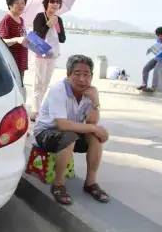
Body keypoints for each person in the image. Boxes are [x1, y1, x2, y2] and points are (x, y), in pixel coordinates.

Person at [33, 55, 110, 205]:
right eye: (77, 74)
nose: (82, 79)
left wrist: (95, 102)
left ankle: (90, 183)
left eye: (86, 74)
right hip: (46, 132)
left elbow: (92, 121)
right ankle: (58, 184)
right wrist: (94, 127)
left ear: (92, 76)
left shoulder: (90, 92)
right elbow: (62, 125)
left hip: (71, 131)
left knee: (95, 137)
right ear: (68, 75)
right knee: (69, 137)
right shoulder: (58, 90)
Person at [30, 0, 66, 121]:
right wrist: (48, 24)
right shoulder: (40, 17)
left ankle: (39, 108)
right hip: (41, 53)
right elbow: (38, 35)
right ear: (46, 3)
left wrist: (58, 27)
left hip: (53, 55)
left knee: (45, 83)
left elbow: (62, 39)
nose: (55, 4)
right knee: (38, 82)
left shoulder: (59, 19)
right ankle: (35, 110)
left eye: (57, 2)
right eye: (52, 1)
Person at [0, 0, 29, 82]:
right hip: (11, 63)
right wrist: (16, 39)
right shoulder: (6, 20)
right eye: (17, 3)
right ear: (10, 5)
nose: (21, 6)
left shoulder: (21, 20)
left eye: (23, 3)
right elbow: (1, 42)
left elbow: (22, 38)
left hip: (21, 62)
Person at [137, 27, 162, 92]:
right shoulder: (159, 38)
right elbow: (157, 47)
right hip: (157, 57)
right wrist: (152, 49)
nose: (159, 38)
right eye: (158, 36)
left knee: (156, 70)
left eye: (160, 36)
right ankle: (144, 84)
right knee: (145, 68)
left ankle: (153, 88)